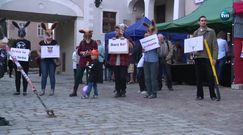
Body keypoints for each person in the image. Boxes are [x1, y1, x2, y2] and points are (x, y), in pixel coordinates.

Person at [193, 16, 218, 100]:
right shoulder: (195, 33)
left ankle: (213, 95)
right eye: (202, 20)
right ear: (199, 22)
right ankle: (199, 95)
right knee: (198, 77)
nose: (203, 22)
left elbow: (215, 46)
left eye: (205, 20)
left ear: (206, 22)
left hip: (208, 57)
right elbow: (192, 46)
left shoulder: (211, 32)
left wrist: (214, 58)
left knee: (210, 76)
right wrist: (193, 53)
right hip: (198, 57)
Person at [69, 29, 97, 97]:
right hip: (82, 62)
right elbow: (78, 52)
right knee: (78, 76)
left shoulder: (94, 43)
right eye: (85, 37)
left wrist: (89, 53)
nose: (86, 38)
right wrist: (83, 53)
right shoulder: (82, 42)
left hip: (90, 62)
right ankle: (74, 91)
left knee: (89, 77)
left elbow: (95, 52)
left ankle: (89, 92)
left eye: (88, 37)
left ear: (90, 36)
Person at [109, 24, 132, 97]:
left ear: (121, 31)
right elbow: (109, 48)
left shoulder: (126, 38)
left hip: (123, 61)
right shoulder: (113, 39)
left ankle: (123, 90)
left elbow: (131, 46)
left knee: (122, 77)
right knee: (117, 77)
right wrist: (111, 43)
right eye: (115, 30)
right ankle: (118, 91)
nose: (115, 32)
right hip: (115, 61)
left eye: (117, 30)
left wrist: (125, 40)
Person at [38, 22, 59, 96]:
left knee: (52, 75)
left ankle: (52, 90)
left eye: (50, 34)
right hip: (44, 61)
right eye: (47, 34)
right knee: (44, 76)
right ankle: (43, 90)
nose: (49, 35)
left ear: (52, 34)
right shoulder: (41, 42)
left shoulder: (54, 42)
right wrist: (40, 55)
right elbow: (38, 50)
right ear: (45, 34)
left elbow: (56, 51)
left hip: (52, 61)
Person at [11, 21, 31, 96]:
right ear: (19, 32)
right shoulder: (15, 42)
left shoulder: (28, 42)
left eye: (22, 31)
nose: (21, 33)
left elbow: (29, 50)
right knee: (17, 76)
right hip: (17, 62)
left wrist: (29, 53)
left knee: (25, 76)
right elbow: (12, 51)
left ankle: (25, 90)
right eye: (20, 31)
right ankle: (18, 90)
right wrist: (12, 58)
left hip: (25, 62)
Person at [142, 20, 159, 99]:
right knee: (147, 77)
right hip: (146, 59)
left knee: (153, 77)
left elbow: (158, 49)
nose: (149, 31)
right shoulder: (145, 37)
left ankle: (154, 93)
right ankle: (149, 92)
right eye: (149, 30)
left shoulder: (155, 38)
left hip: (153, 60)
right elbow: (143, 49)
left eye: (151, 30)